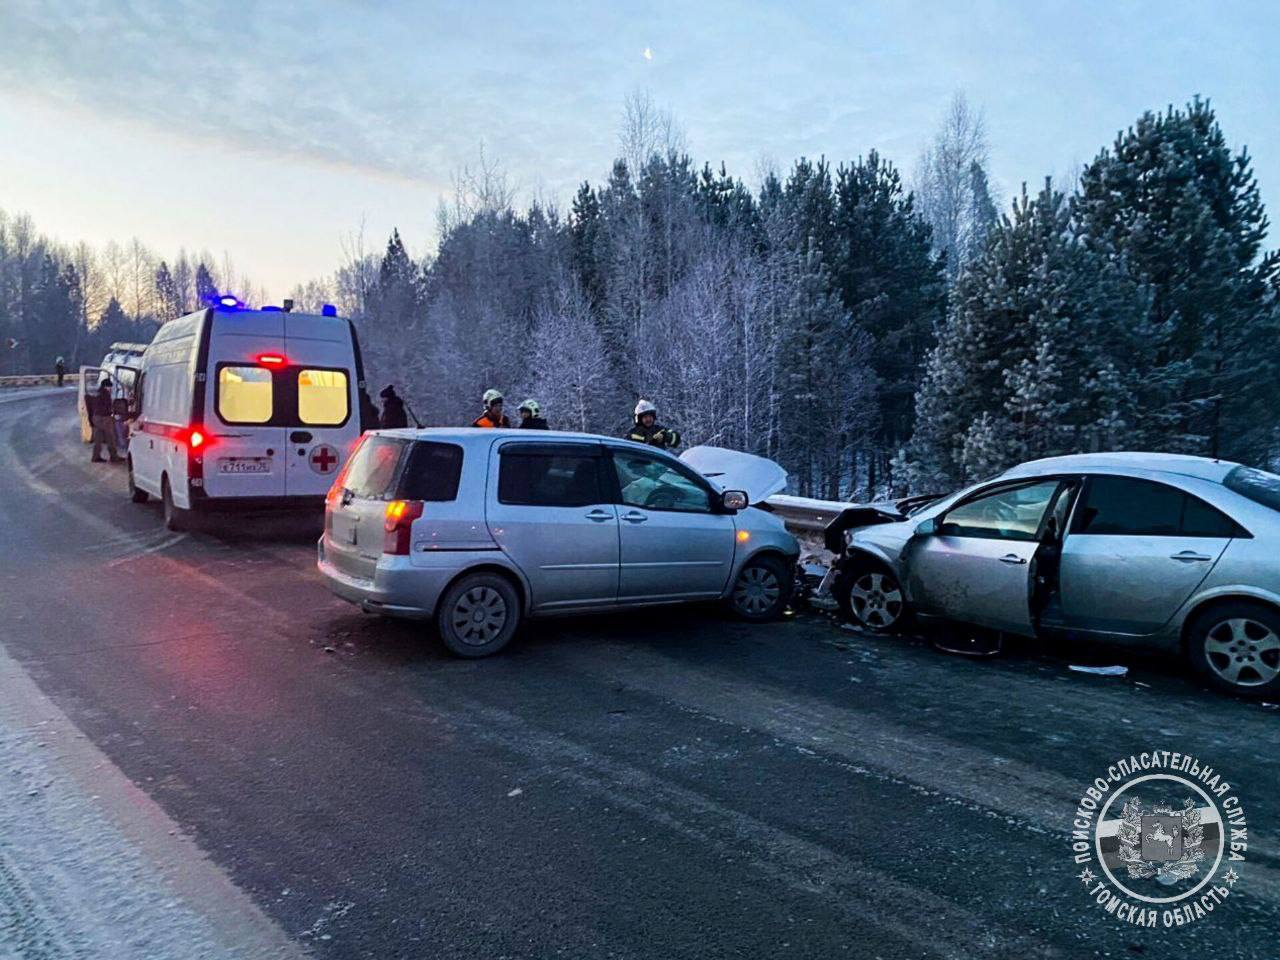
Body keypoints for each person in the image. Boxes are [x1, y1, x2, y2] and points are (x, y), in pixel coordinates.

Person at [89, 377, 123, 463]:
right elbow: (108, 408)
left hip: (96, 418)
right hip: (104, 418)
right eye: (109, 387)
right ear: (105, 386)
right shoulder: (105, 395)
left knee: (98, 438)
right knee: (111, 438)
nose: (110, 388)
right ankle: (114, 457)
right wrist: (113, 414)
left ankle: (95, 457)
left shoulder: (98, 393)